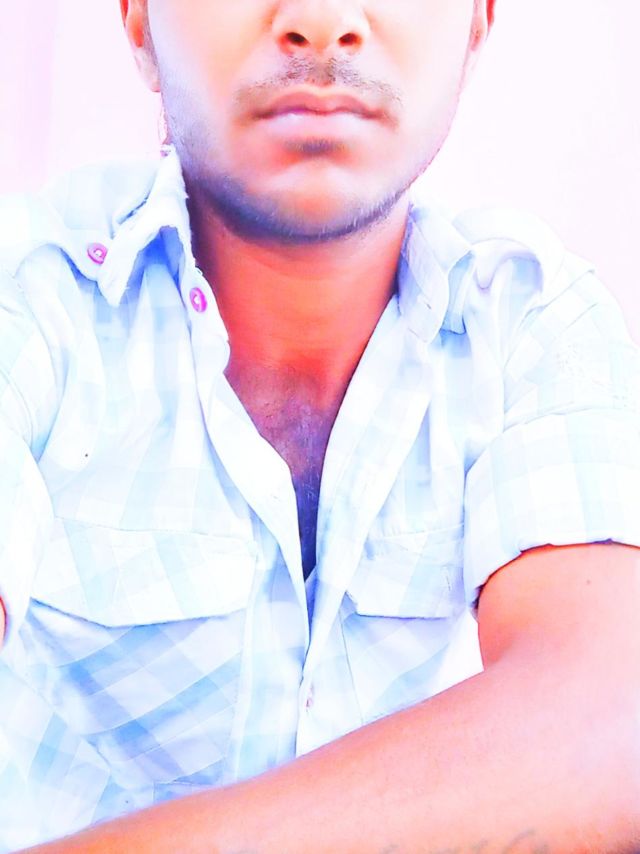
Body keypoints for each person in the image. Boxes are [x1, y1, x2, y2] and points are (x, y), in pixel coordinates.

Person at [0, 0, 638, 850]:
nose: (323, 20)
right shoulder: (30, 298)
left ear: (477, 27)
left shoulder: (529, 319)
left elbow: (608, 727)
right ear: (141, 22)